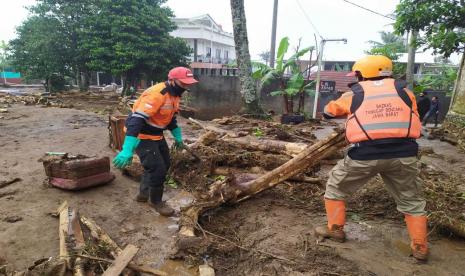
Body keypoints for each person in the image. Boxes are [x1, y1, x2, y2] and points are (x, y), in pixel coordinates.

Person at [314, 55, 428, 262]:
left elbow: (328, 112)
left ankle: (335, 230)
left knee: (335, 187)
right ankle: (420, 247)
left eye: (357, 75)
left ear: (364, 74)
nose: (356, 78)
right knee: (412, 201)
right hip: (405, 154)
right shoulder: (406, 92)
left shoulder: (354, 93)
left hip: (365, 155)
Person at [112, 67, 198, 216]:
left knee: (164, 164)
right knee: (158, 169)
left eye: (188, 83)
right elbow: (135, 121)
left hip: (156, 134)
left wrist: (178, 137)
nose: (186, 86)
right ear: (172, 80)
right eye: (183, 83)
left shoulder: (175, 94)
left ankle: (143, 194)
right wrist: (127, 149)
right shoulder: (157, 94)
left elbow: (170, 118)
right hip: (141, 135)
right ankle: (156, 201)